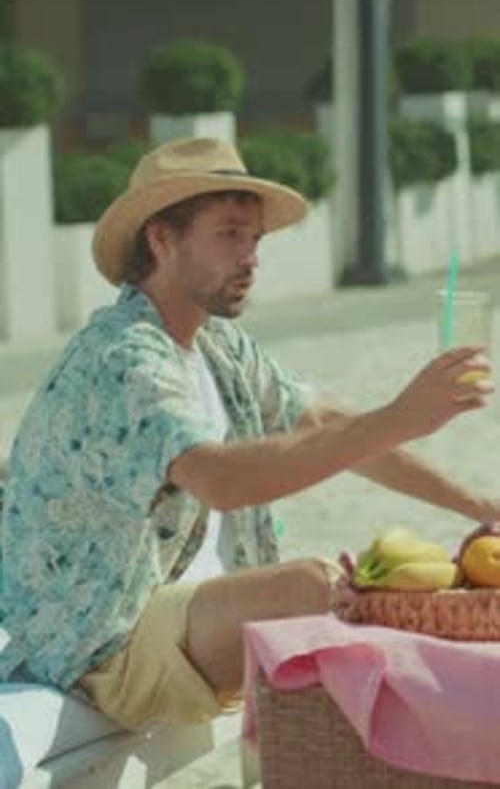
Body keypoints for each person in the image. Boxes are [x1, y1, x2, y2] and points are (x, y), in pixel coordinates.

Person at [0, 136, 495, 730]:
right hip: (96, 642)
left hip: (176, 615)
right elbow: (221, 478)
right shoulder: (123, 355)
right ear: (162, 238)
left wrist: (480, 506)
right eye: (230, 234)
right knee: (311, 591)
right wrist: (397, 416)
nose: (251, 256)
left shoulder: (217, 344)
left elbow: (322, 422)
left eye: (255, 238)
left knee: (378, 589)